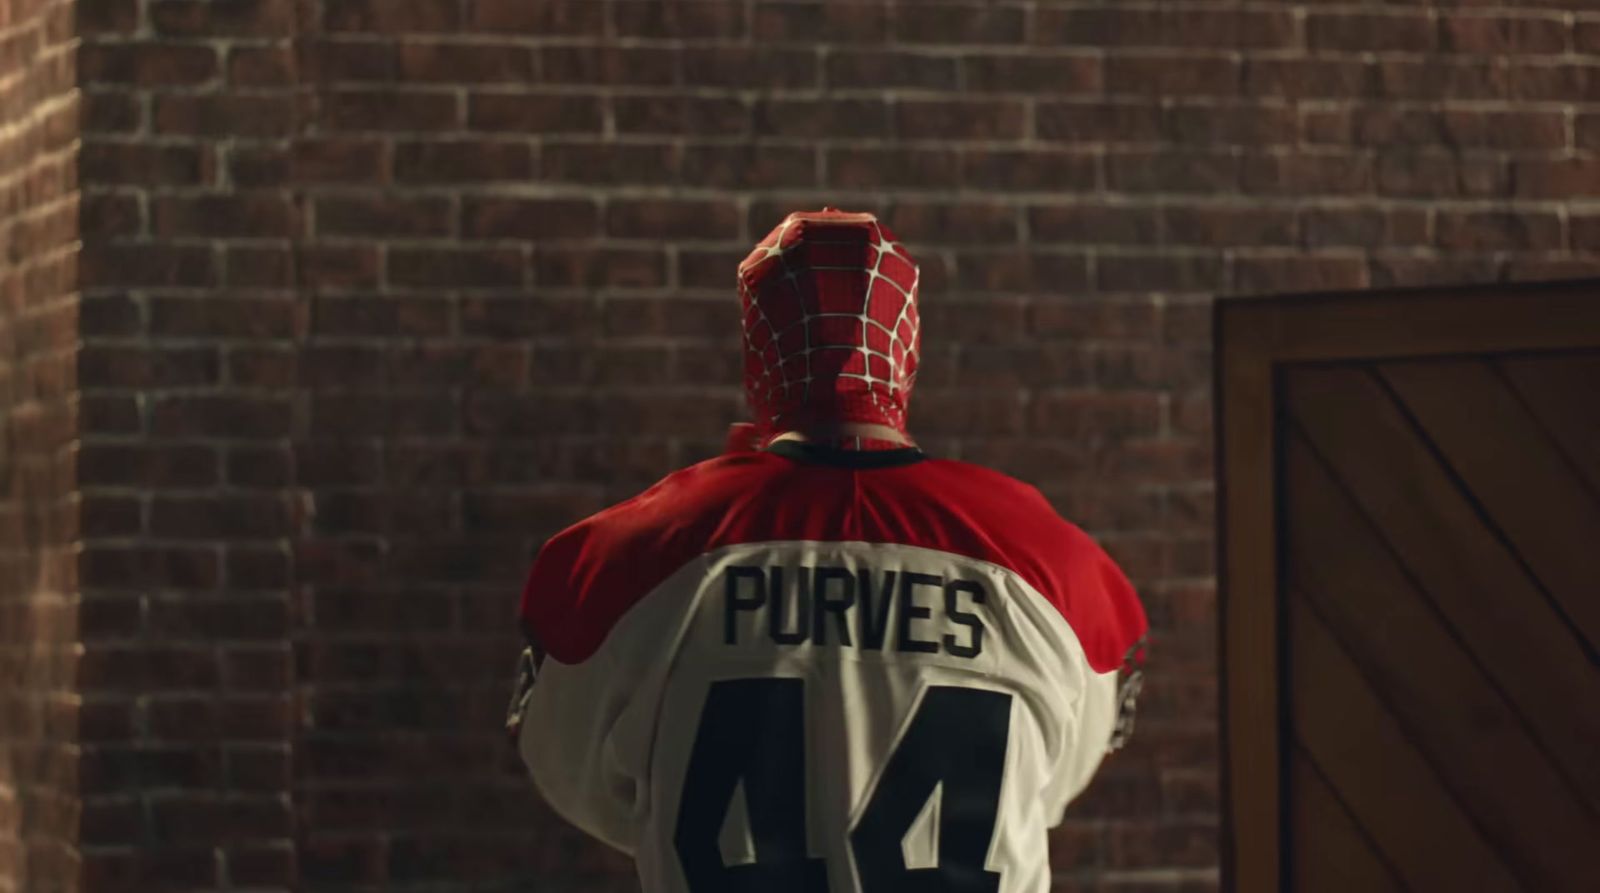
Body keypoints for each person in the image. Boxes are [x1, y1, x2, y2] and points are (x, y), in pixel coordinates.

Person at [507, 208, 1148, 893]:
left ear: (758, 356)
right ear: (907, 350)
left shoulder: (623, 559)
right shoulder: (1055, 566)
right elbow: (1047, 784)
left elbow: (581, 777)